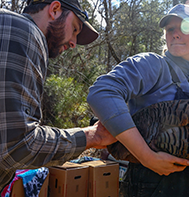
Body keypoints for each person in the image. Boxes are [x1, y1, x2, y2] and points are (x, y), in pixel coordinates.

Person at [87, 4, 189, 197]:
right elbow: (101, 92)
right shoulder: (153, 66)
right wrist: (147, 157)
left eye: (185, 27)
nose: (175, 34)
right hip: (149, 188)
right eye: (170, 29)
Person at [0, 0, 117, 191]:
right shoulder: (22, 30)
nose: (73, 43)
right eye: (75, 29)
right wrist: (91, 136)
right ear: (55, 10)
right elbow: (16, 146)